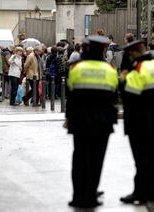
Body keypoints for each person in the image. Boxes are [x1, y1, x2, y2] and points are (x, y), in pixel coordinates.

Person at [65, 35, 118, 208]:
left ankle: (77, 195)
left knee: (79, 157)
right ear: (103, 50)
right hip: (102, 121)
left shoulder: (76, 68)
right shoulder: (109, 70)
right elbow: (113, 96)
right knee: (96, 159)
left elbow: (70, 95)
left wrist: (68, 118)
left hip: (79, 120)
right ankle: (91, 194)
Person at [119, 40, 154, 204]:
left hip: (138, 120)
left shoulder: (137, 70)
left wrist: (123, 80)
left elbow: (129, 96)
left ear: (133, 53)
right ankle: (153, 191)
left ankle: (140, 192)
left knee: (141, 158)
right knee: (153, 155)